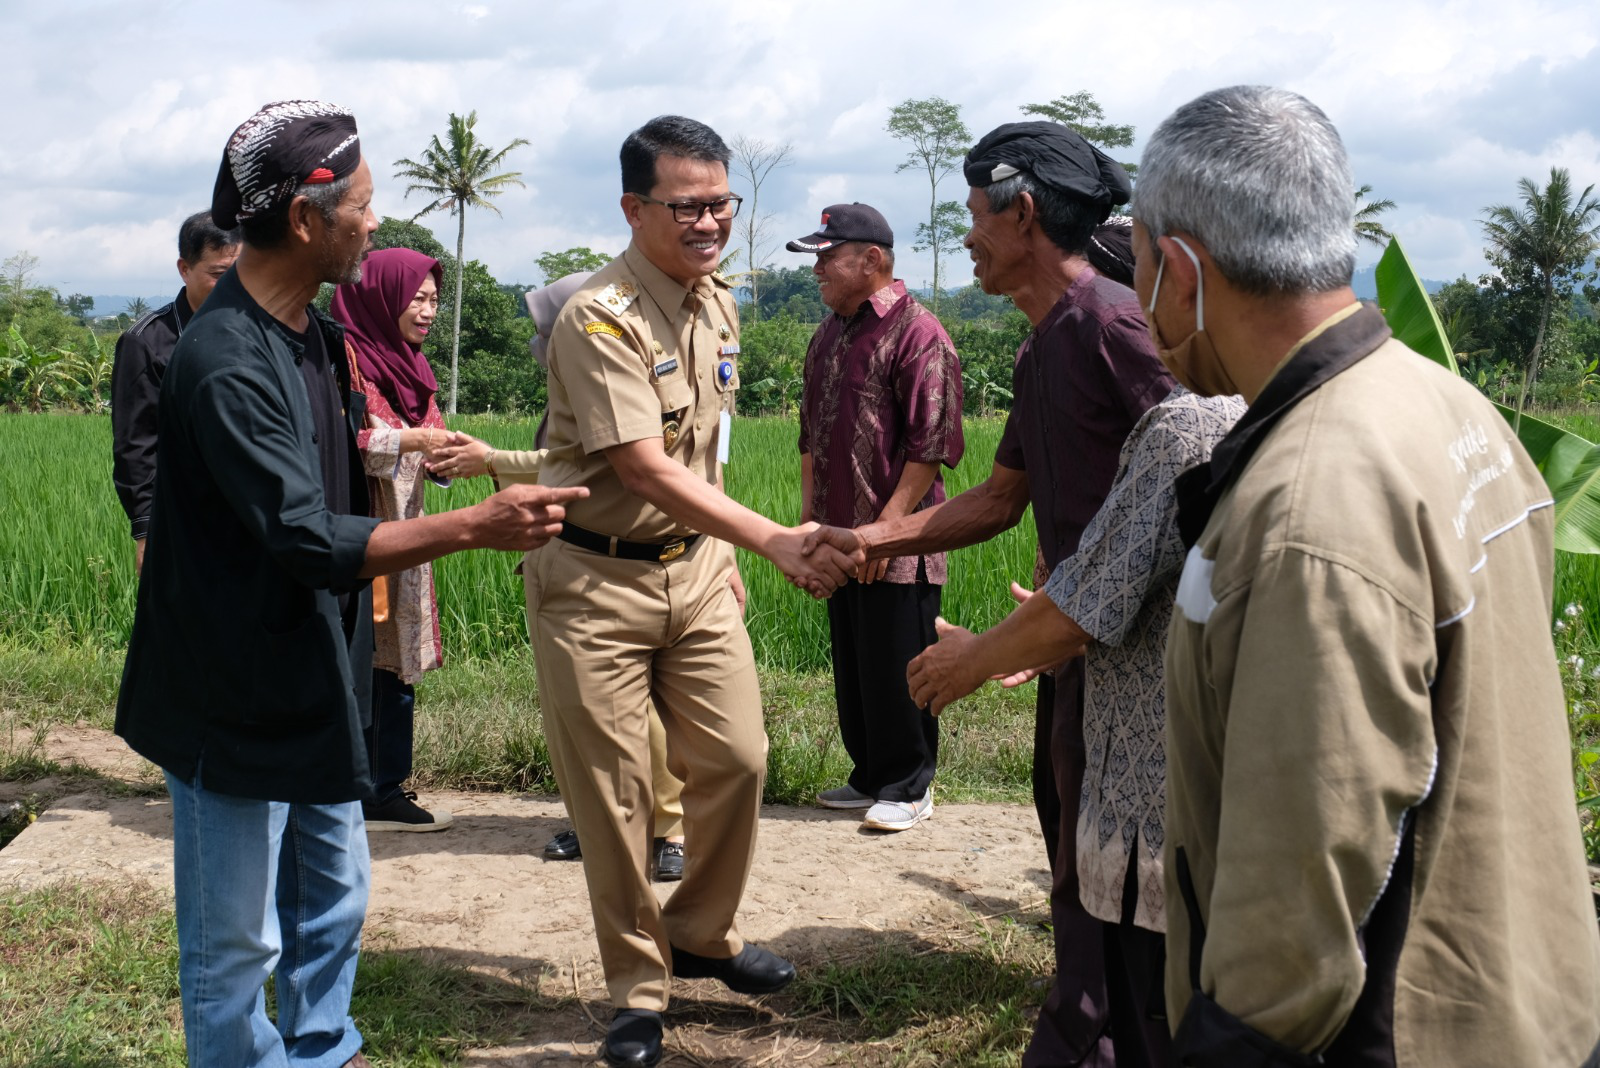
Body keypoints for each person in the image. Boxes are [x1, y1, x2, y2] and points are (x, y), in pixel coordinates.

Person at [113, 99, 585, 1068]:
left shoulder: (314, 337)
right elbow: (301, 535)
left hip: (309, 672)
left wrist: (428, 448)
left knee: (334, 894)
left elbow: (338, 471)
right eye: (364, 205)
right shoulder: (224, 359)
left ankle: (322, 1046)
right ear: (304, 217)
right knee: (237, 940)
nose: (375, 224)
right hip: (227, 693)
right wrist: (473, 528)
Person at [1135, 85, 1600, 1064]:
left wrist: (1227, 1044)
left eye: (1134, 259)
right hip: (1533, 992)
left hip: (1408, 1029)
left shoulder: (1313, 500)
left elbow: (1302, 887)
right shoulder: (1448, 405)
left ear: (1179, 269)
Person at [805, 122, 1176, 1067]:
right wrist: (867, 538)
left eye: (975, 216)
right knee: (1071, 832)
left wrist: (1052, 617)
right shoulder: (1042, 345)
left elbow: (1196, 470)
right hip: (1073, 636)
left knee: (1122, 856)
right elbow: (1001, 496)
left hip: (1141, 651)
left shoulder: (1115, 327)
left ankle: (1108, 1033)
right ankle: (1091, 1018)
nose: (966, 236)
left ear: (1022, 214)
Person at [525, 113, 855, 1068]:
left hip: (696, 573)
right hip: (595, 580)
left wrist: (723, 563)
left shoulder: (717, 304)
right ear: (634, 208)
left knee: (740, 760)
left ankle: (701, 932)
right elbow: (641, 464)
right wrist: (771, 542)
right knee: (618, 796)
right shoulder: (597, 316)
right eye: (688, 207)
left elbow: (702, 454)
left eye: (721, 204)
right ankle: (637, 986)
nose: (710, 223)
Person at [905, 268, 1244, 1063]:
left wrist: (976, 659)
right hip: (1271, 789)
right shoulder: (1373, 412)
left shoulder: (1185, 430)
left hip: (1160, 768)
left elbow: (1087, 605)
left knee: (1153, 974)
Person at [431, 270, 690, 881]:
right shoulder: (568, 385)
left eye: (546, 330)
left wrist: (490, 460)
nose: (541, 344)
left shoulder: (619, 374)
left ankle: (669, 825)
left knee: (642, 714)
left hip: (617, 566)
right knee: (567, 707)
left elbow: (583, 466)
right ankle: (588, 818)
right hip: (557, 559)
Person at [787, 202, 964, 832]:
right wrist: (808, 524)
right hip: (837, 535)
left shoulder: (920, 333)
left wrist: (882, 536)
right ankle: (869, 776)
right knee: (856, 663)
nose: (818, 271)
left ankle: (910, 783)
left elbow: (930, 448)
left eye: (828, 257)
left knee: (900, 662)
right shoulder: (829, 335)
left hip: (900, 541)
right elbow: (810, 437)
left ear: (874, 260)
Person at [329, 246, 455, 832]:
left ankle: (384, 784)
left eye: (434, 299)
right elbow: (337, 441)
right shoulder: (341, 358)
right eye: (418, 298)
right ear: (383, 297)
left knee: (396, 660)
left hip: (406, 531)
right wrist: (411, 445)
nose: (428, 310)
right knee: (354, 658)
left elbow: (428, 437)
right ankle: (351, 785)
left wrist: (447, 455)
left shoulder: (413, 367)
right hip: (357, 527)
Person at [111, 210, 240, 574]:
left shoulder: (259, 331)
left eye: (240, 272)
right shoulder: (147, 342)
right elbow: (136, 444)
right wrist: (146, 531)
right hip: (183, 517)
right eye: (218, 274)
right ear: (184, 269)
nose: (233, 284)